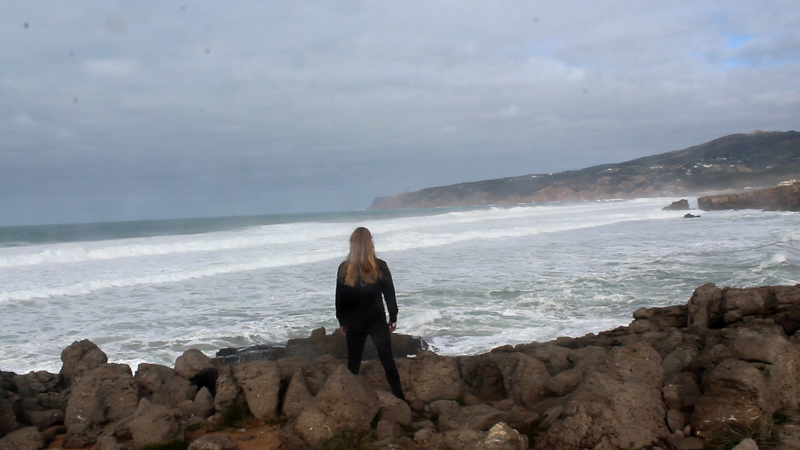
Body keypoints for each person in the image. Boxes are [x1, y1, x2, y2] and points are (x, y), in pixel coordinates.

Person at [335, 227, 406, 400]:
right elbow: (390, 294)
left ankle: (350, 401)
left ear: (352, 244)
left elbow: (339, 298)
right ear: (370, 243)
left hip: (354, 323)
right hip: (376, 321)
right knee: (388, 361)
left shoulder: (344, 268)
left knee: (353, 364)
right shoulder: (380, 266)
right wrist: (393, 318)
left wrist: (342, 321)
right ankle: (401, 399)